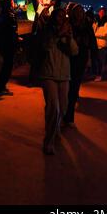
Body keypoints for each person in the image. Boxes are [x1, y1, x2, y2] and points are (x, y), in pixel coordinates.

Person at [37, 8, 78, 155]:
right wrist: (58, 35)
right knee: (53, 107)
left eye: (63, 16)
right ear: (54, 17)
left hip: (64, 75)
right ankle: (48, 141)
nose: (60, 18)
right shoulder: (47, 30)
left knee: (64, 107)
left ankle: (56, 127)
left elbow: (74, 52)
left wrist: (69, 38)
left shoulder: (68, 31)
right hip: (48, 73)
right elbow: (45, 46)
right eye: (58, 16)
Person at [64, 4, 98, 125]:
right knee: (66, 87)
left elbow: (92, 43)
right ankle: (64, 113)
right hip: (68, 58)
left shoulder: (86, 26)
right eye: (76, 12)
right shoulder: (68, 24)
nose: (79, 14)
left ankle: (69, 117)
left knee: (74, 87)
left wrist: (94, 59)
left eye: (80, 11)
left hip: (80, 59)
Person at [28, 0, 61, 84]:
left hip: (49, 38)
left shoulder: (53, 10)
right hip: (39, 37)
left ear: (50, 1)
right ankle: (33, 80)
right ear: (42, 2)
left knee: (47, 60)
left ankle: (45, 80)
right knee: (36, 59)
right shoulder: (39, 8)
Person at [0, 0, 19, 96]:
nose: (13, 3)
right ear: (10, 4)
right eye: (12, 2)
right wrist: (16, 39)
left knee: (5, 66)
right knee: (7, 67)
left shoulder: (1, 15)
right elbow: (12, 30)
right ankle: (0, 87)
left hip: (3, 43)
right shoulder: (9, 15)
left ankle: (0, 86)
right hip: (9, 44)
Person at [93, 7, 107, 81]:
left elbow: (105, 33)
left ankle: (99, 75)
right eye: (100, 12)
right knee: (96, 60)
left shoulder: (106, 23)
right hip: (97, 45)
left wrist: (95, 34)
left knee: (100, 61)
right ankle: (97, 74)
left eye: (103, 12)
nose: (101, 13)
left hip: (103, 45)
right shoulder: (97, 22)